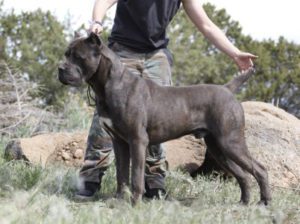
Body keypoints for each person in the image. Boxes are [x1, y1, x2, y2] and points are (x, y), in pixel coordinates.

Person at [75, 0, 257, 200]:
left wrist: (235, 53)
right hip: (122, 52)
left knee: (160, 120)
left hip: (156, 56)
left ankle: (154, 181)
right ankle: (90, 178)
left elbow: (206, 25)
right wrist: (97, 21)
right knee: (106, 122)